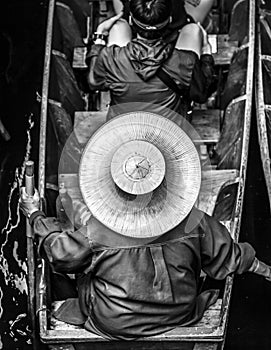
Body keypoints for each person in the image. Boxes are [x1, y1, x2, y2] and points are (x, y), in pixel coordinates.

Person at [20, 112, 271, 341]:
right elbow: (231, 256)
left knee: (65, 267)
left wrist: (36, 216)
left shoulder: (97, 231)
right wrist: (263, 268)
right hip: (178, 315)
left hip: (113, 323)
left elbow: (59, 253)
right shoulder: (194, 221)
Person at [86, 0, 216, 120]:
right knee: (193, 30)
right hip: (169, 133)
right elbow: (201, 94)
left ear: (131, 20)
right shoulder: (186, 62)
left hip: (125, 131)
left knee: (118, 27)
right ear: (169, 20)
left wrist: (99, 37)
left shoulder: (111, 58)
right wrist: (206, 55)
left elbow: (93, 82)